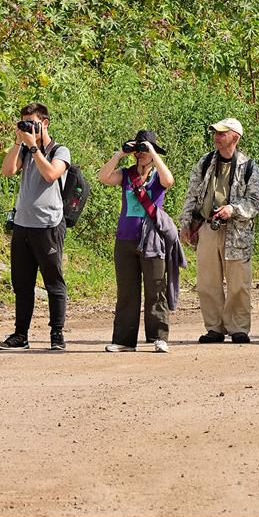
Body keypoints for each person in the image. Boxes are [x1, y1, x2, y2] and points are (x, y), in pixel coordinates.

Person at [179, 118, 259, 344]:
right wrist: (186, 222)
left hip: (237, 232)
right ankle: (214, 328)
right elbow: (192, 194)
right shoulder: (206, 162)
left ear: (235, 137)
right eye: (216, 133)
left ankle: (239, 328)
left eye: (222, 133)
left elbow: (256, 202)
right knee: (207, 282)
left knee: (238, 282)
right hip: (208, 227)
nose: (216, 137)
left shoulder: (248, 166)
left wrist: (232, 209)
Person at [0, 102, 71, 351]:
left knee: (53, 282)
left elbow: (51, 174)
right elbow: (7, 171)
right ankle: (21, 335)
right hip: (22, 225)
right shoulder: (25, 150)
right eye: (24, 122)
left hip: (49, 225)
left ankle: (57, 333)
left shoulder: (60, 151)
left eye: (32, 123)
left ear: (45, 123)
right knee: (22, 284)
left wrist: (34, 147)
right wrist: (19, 141)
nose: (28, 127)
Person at [98, 130, 175, 353]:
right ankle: (124, 340)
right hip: (125, 239)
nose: (140, 154)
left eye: (144, 150)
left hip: (152, 239)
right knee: (127, 291)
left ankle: (159, 337)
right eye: (138, 150)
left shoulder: (157, 176)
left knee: (156, 288)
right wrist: (120, 154)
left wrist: (153, 152)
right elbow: (103, 177)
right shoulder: (127, 174)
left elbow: (169, 181)